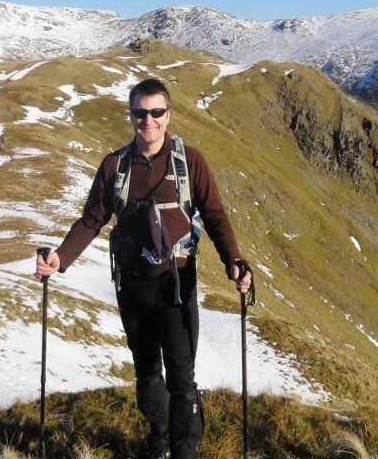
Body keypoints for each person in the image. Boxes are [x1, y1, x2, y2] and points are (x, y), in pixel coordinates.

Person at [34, 78, 252, 459]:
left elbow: (214, 215)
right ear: (131, 115)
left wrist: (233, 261)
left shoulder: (190, 161)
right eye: (140, 113)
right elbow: (92, 220)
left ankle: (185, 449)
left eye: (156, 112)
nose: (147, 120)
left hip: (176, 284)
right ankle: (160, 439)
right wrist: (60, 258)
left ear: (168, 115)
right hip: (132, 286)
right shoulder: (114, 166)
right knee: (147, 371)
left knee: (181, 376)